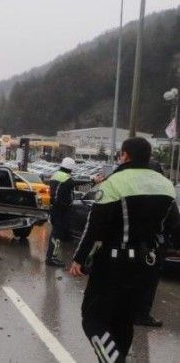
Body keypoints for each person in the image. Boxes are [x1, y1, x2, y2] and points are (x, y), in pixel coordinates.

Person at [69, 137, 180, 363]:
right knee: (124, 320)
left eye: (121, 154)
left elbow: (95, 226)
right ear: (148, 157)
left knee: (92, 319)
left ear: (125, 155)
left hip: (112, 263)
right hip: (144, 265)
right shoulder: (166, 185)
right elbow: (173, 226)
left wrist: (79, 258)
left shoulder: (115, 182)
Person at [132, 158, 167, 328]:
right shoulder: (164, 194)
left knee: (131, 279)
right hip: (152, 246)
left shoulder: (131, 190)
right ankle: (142, 315)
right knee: (148, 283)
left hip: (130, 245)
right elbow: (173, 221)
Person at [45, 157, 76, 267]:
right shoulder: (68, 179)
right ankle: (51, 258)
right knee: (57, 236)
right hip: (62, 210)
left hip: (54, 209)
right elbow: (73, 186)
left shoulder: (55, 175)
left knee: (55, 233)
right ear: (71, 168)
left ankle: (50, 257)